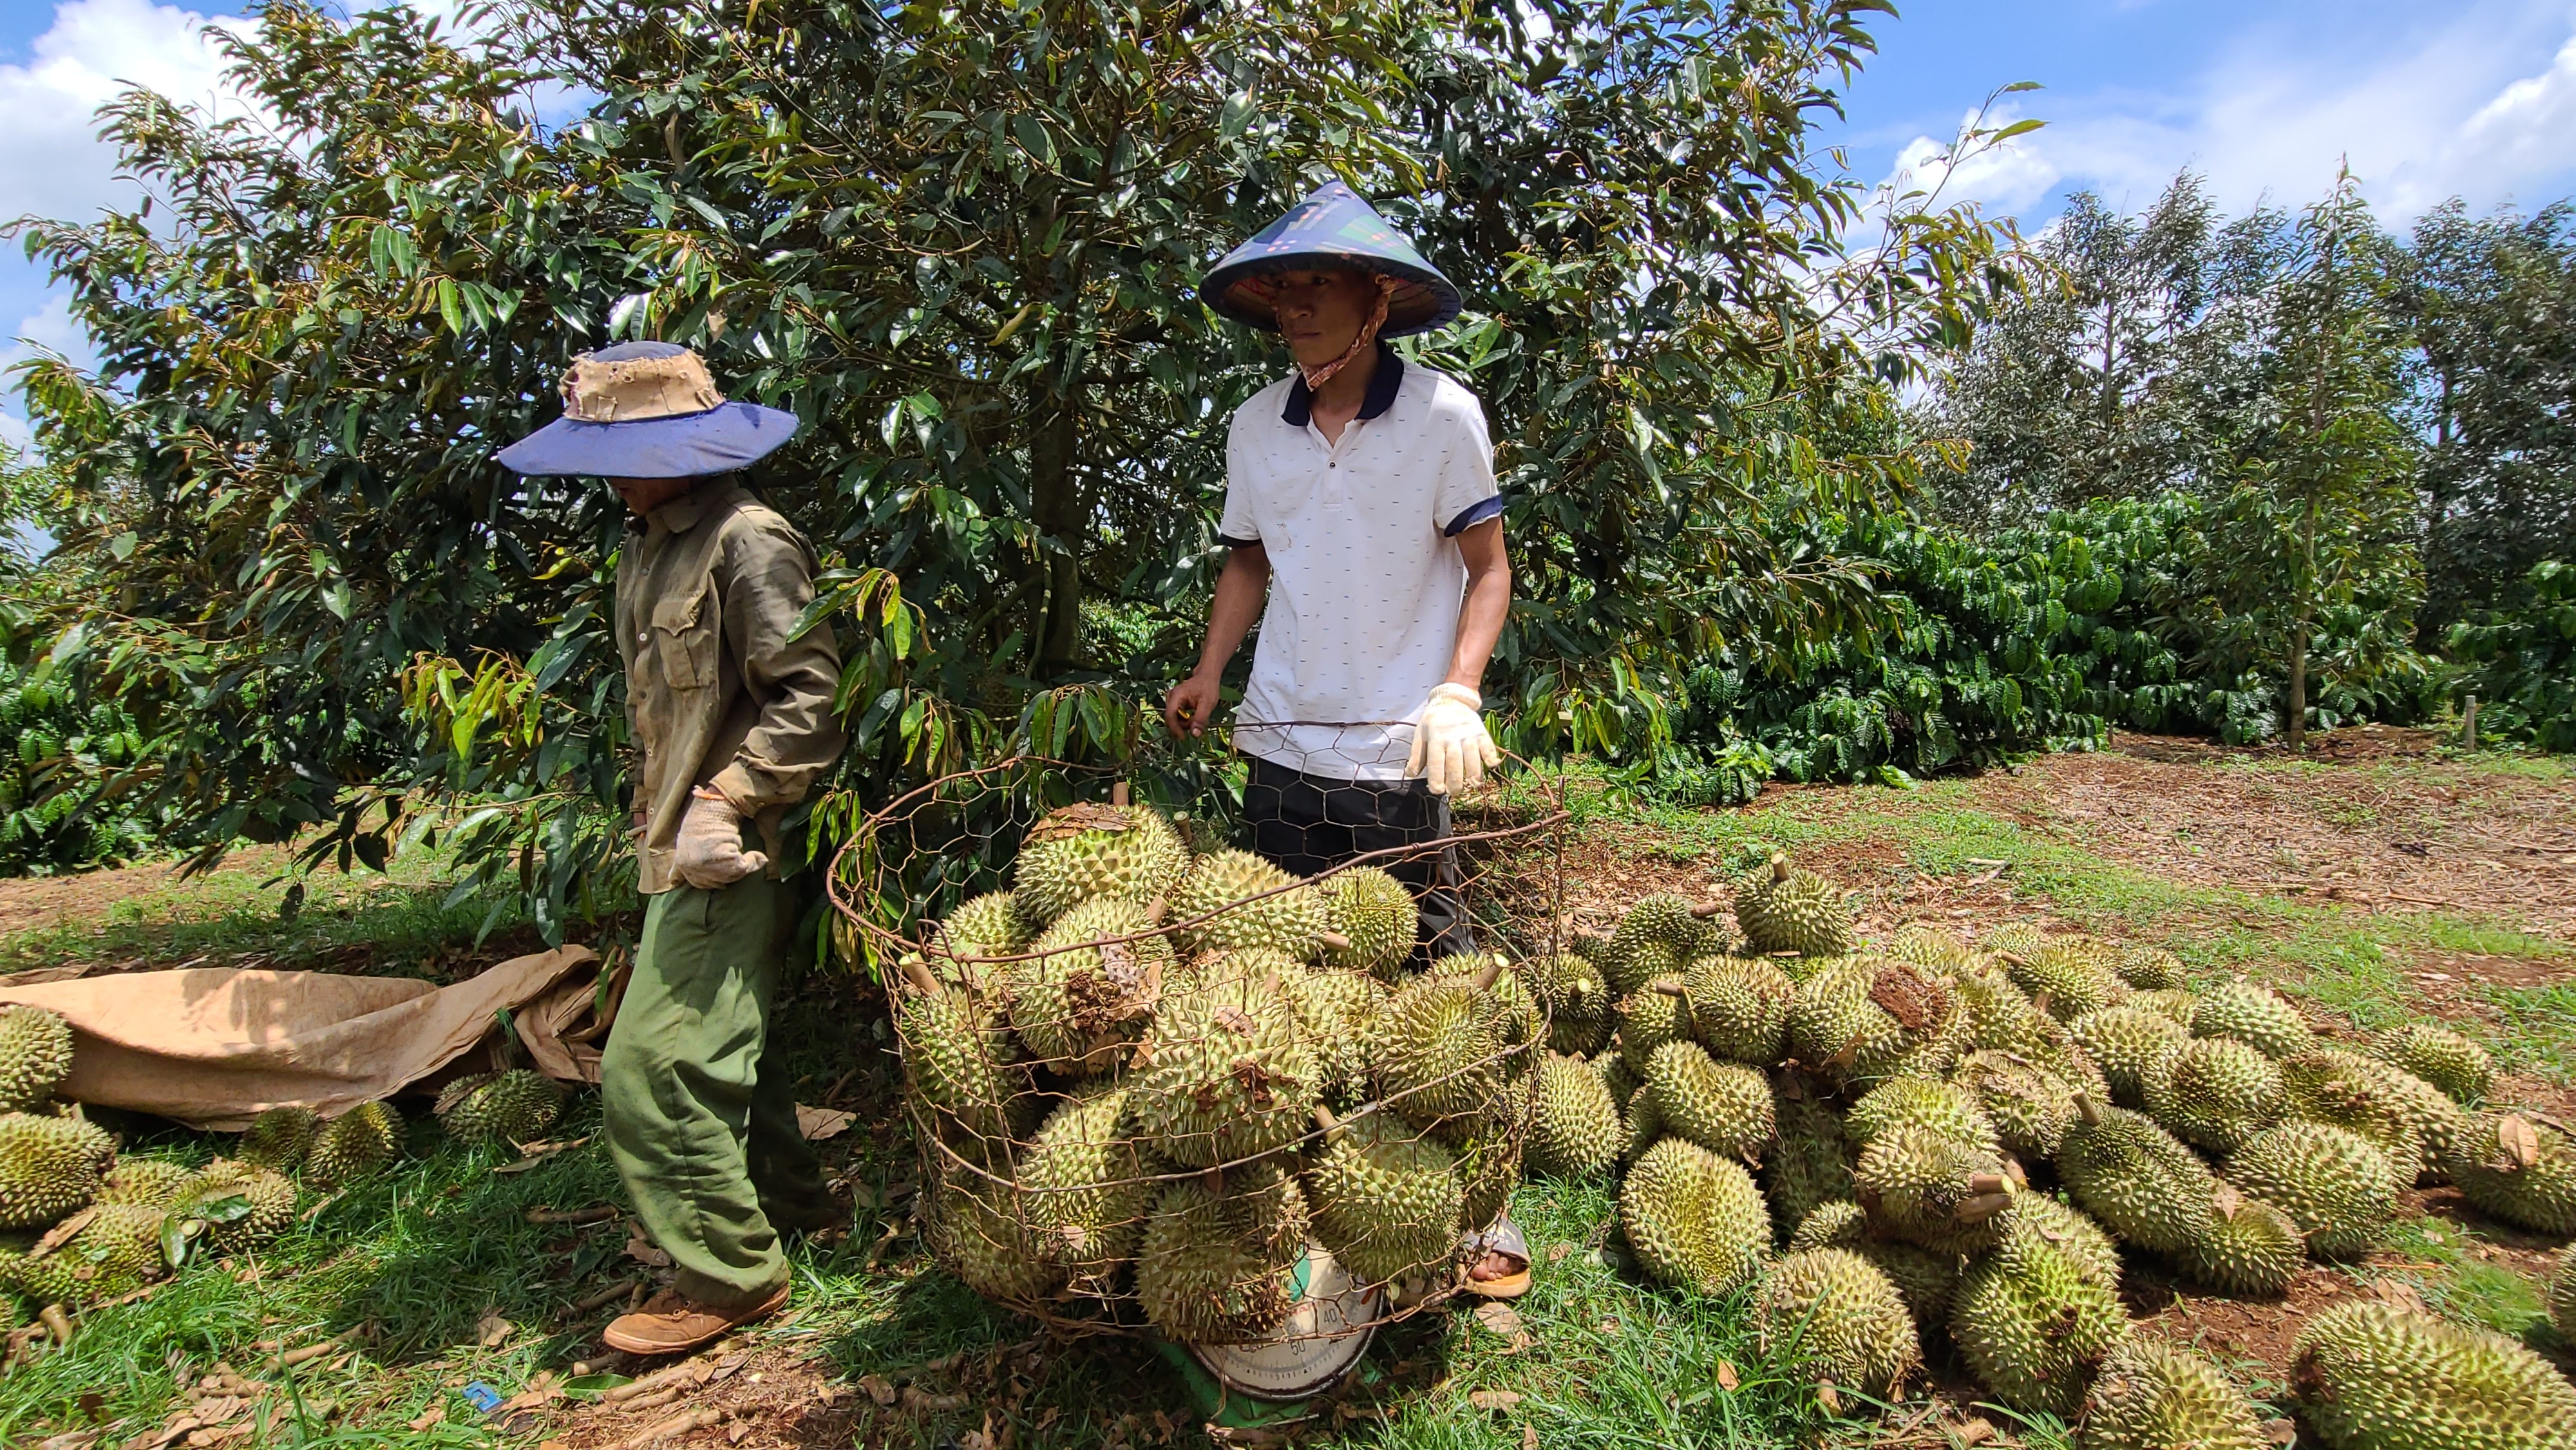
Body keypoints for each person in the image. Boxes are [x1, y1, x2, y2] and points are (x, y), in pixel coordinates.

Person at [1163, 183, 1526, 1297]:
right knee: (1274, 976)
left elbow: (1490, 568)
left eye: (1321, 286)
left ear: (1378, 301)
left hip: (1398, 751)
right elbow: (1247, 562)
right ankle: (1307, 1200)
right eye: (1283, 289)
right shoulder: (1253, 427)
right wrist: (1212, 669)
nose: (1296, 308)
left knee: (1433, 982)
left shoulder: (1443, 417)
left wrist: (1458, 691)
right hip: (1280, 740)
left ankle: (1483, 1205)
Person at [497, 342, 846, 1355]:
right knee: (732, 1040)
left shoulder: (750, 542)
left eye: (618, 448)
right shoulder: (648, 537)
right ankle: (788, 1206)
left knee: (651, 1071)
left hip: (732, 847)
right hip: (680, 843)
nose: (603, 471)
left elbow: (810, 695)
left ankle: (729, 1274)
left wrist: (728, 801)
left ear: (680, 444)